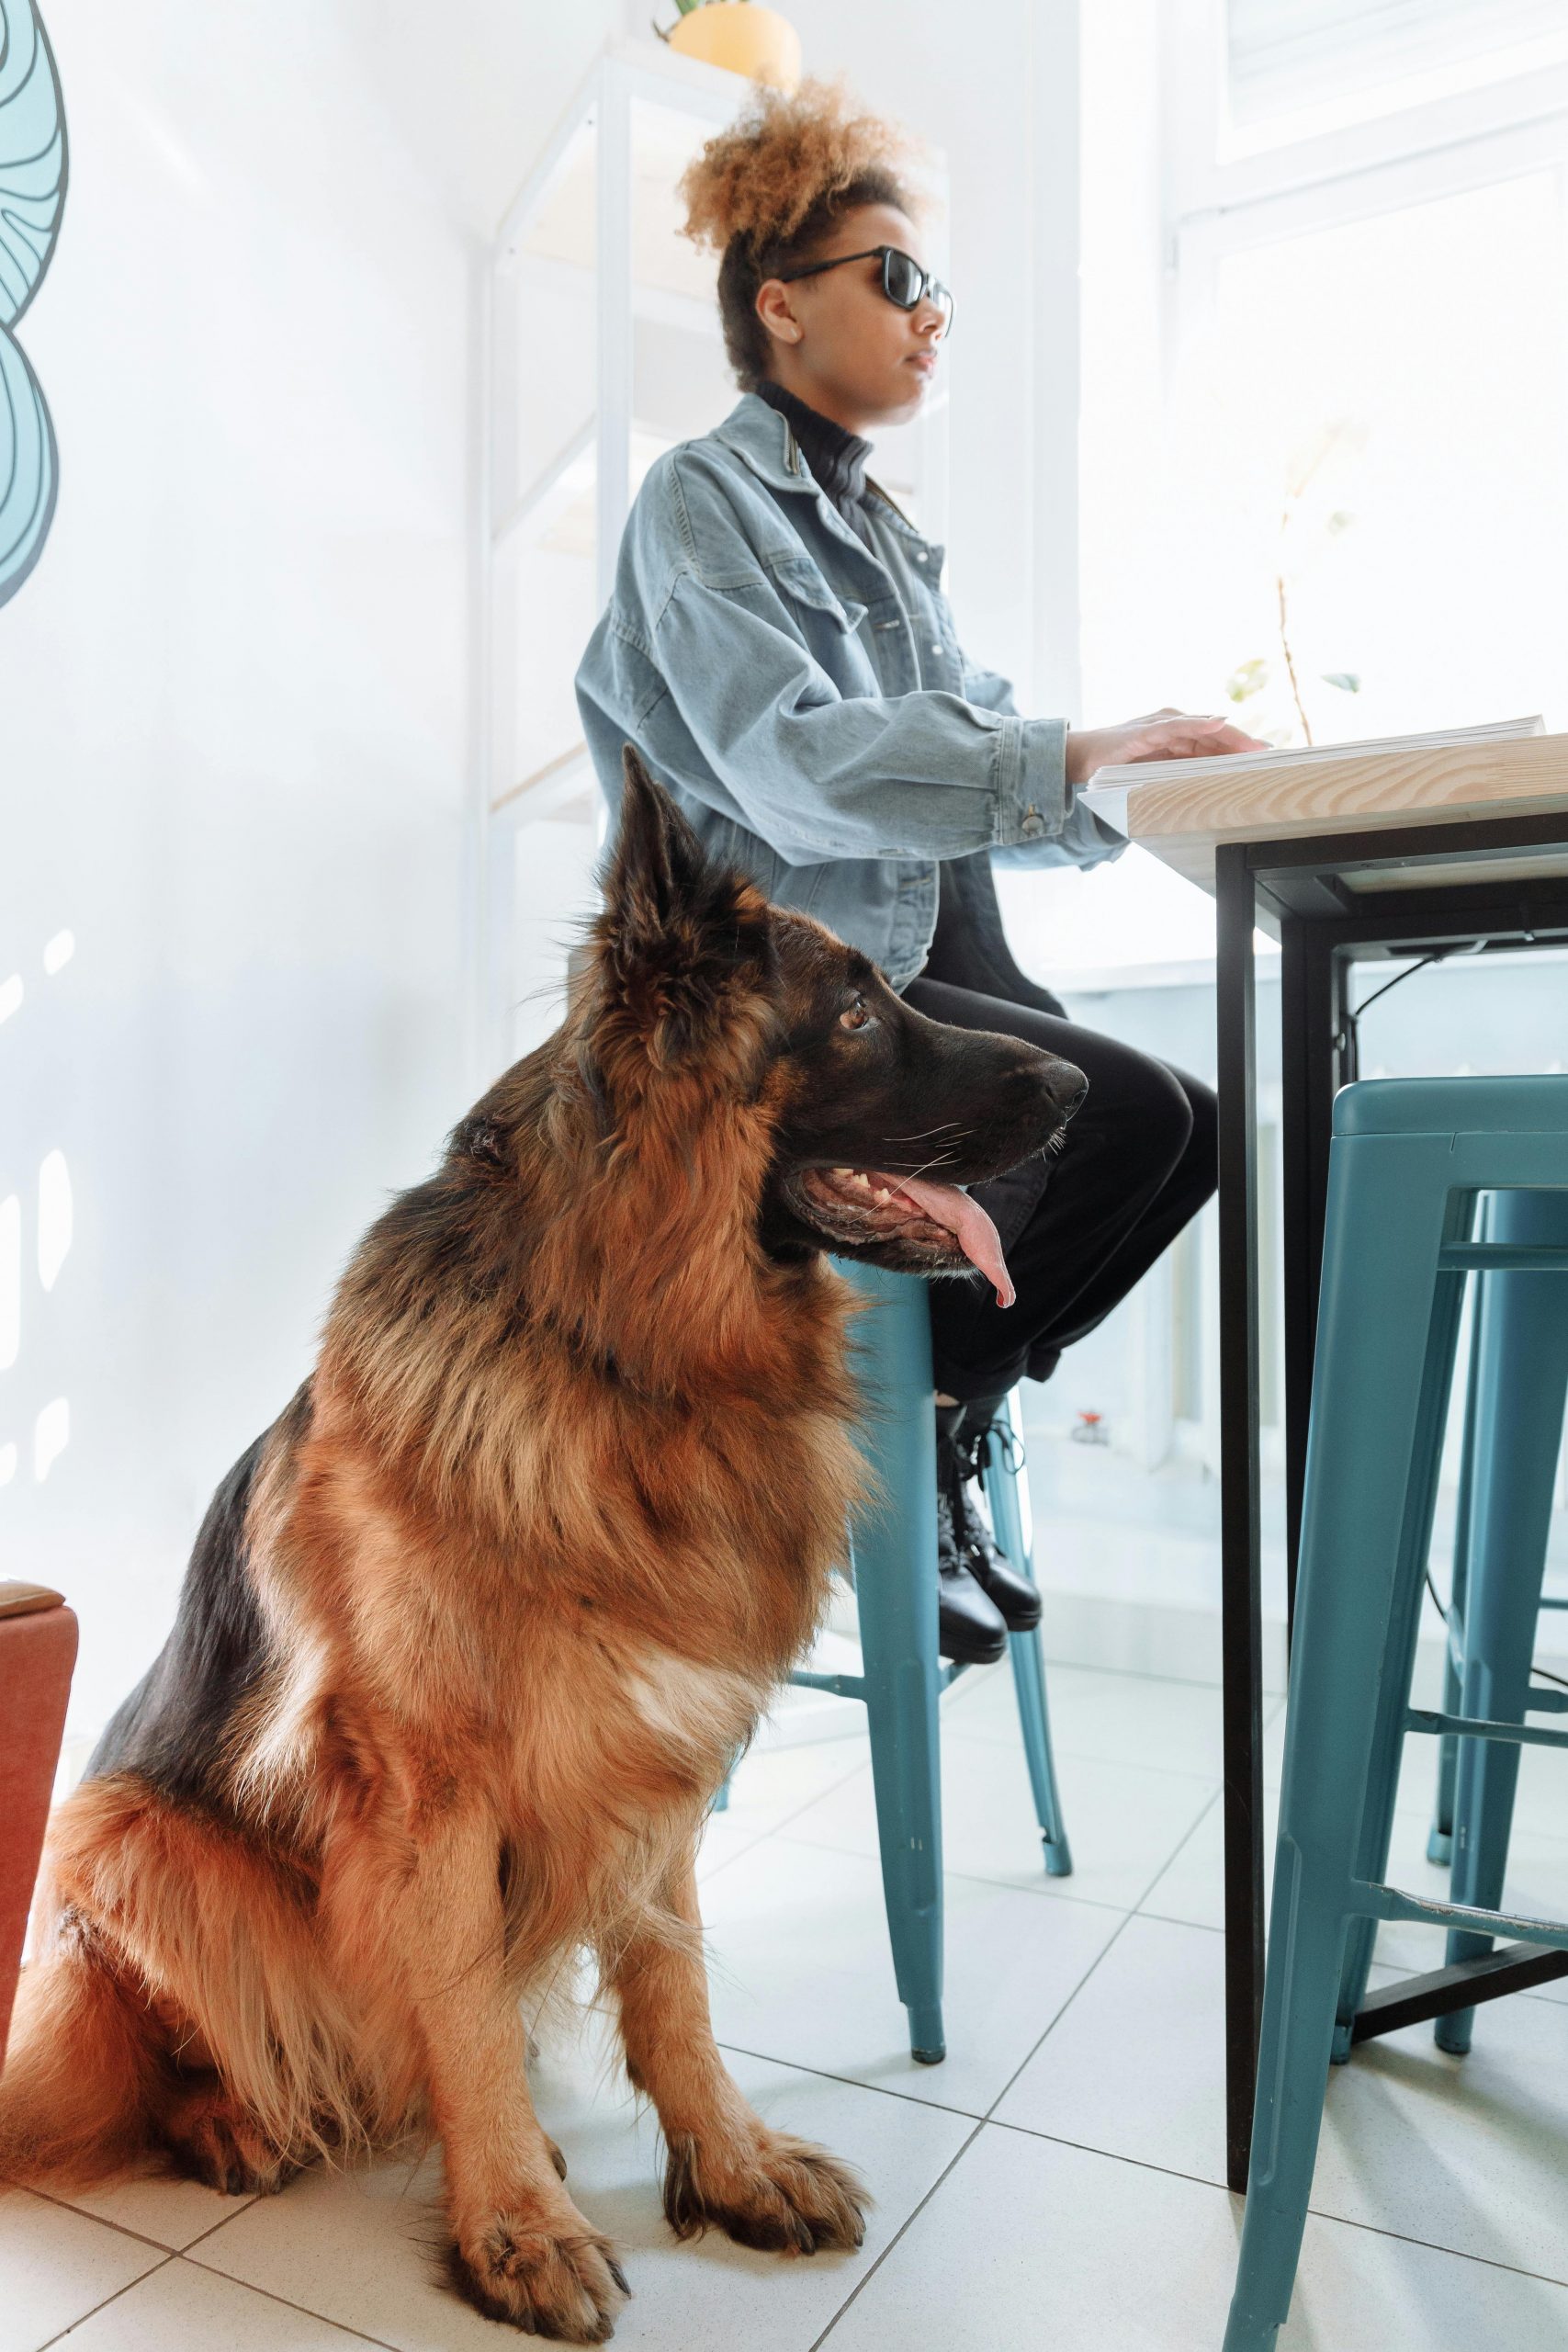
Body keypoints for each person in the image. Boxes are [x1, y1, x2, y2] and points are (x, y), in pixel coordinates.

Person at [574, 76, 1264, 1665]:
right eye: (897, 278)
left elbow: (991, 744)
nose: (931, 314)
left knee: (1196, 1127)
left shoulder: (883, 542)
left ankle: (934, 1426)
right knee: (1137, 1111)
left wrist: (1143, 781)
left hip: (923, 952)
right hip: (787, 996)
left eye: (934, 283)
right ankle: (890, 1457)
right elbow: (793, 763)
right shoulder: (703, 502)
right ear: (780, 308)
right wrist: (1073, 760)